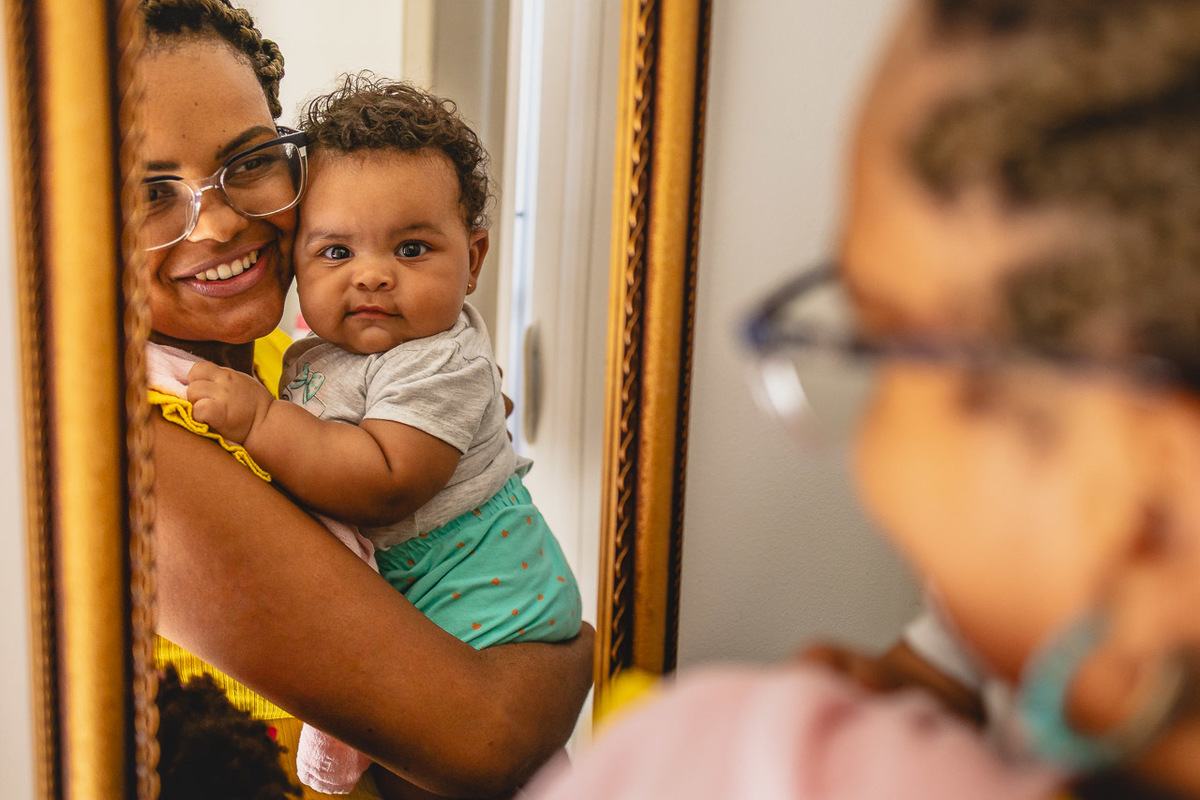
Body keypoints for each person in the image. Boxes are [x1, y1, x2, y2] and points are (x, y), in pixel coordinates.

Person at [529, 0, 1200, 797]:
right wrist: (914, 692)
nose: (866, 445)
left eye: (879, 343)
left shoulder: (740, 766)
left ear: (1144, 498)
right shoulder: (1013, 627)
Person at [136, 2, 593, 798]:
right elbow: (482, 736)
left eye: (248, 162)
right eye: (150, 191)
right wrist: (581, 652)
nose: (215, 223)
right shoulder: (145, 448)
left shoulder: (295, 360)